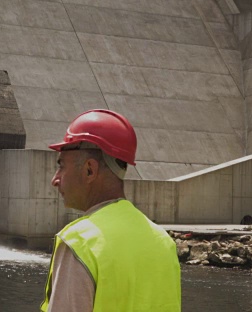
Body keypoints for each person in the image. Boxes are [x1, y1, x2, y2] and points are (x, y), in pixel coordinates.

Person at [40, 110, 181, 312]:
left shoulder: (80, 242)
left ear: (90, 170)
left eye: (61, 166)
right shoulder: (163, 243)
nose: (55, 179)